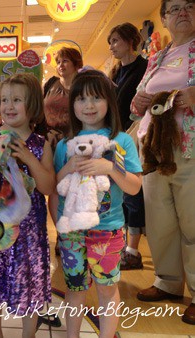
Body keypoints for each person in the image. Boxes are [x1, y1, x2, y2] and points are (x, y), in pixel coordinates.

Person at [54, 70, 142, 338]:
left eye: (95, 98)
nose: (88, 106)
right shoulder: (65, 145)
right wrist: (69, 166)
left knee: (107, 288)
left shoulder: (122, 140)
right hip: (71, 232)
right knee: (75, 288)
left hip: (109, 230)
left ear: (109, 102)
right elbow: (56, 188)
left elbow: (134, 186)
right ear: (72, 105)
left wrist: (110, 167)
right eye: (81, 99)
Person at [0, 73, 56, 337]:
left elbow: (48, 186)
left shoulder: (41, 144)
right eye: (4, 99)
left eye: (17, 100)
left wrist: (29, 157)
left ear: (33, 107)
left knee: (28, 280)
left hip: (29, 233)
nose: (9, 105)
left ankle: (28, 333)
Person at [130, 0, 195, 325]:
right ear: (165, 19)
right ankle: (167, 282)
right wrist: (138, 101)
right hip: (153, 151)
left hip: (190, 148)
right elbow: (137, 104)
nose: (183, 12)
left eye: (190, 6)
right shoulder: (157, 57)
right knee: (160, 221)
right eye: (175, 8)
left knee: (193, 222)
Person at [108, 22, 149, 270]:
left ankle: (133, 251)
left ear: (130, 40)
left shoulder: (144, 68)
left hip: (136, 138)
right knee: (121, 194)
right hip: (118, 137)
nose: (112, 46)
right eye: (110, 42)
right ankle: (124, 246)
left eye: (115, 40)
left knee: (134, 193)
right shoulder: (116, 72)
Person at [37, 47, 83, 257]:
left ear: (75, 63)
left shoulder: (83, 86)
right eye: (59, 61)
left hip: (76, 143)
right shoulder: (51, 84)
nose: (61, 65)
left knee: (75, 188)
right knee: (54, 187)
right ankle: (62, 235)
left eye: (66, 61)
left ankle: (77, 233)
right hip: (51, 142)